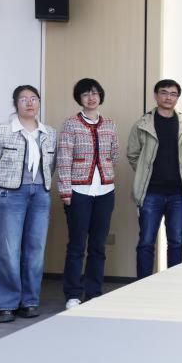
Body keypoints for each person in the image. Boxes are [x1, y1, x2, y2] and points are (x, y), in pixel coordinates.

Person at [0, 85, 56, 323]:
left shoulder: (49, 133)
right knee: (8, 250)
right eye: (24, 99)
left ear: (39, 103)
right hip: (11, 194)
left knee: (35, 250)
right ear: (16, 104)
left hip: (40, 195)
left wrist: (42, 187)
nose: (29, 103)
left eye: (34, 98)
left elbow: (52, 165)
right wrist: (2, 191)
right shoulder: (3, 130)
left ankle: (29, 301)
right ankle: (5, 304)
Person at [56, 78, 119, 310]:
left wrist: (105, 174)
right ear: (79, 99)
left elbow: (114, 154)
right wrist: (65, 190)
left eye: (94, 93)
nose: (91, 98)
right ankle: (73, 294)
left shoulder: (110, 124)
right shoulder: (71, 124)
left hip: (105, 191)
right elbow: (63, 159)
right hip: (78, 192)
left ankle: (94, 292)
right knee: (76, 245)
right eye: (85, 94)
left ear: (100, 96)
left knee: (98, 246)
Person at [127, 79, 182, 279]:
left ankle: (173, 283)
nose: (168, 97)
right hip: (150, 192)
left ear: (177, 98)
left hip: (178, 193)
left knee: (176, 242)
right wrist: (145, 173)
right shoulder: (143, 124)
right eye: (164, 93)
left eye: (173, 94)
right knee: (146, 242)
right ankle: (143, 283)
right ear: (156, 96)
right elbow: (133, 154)